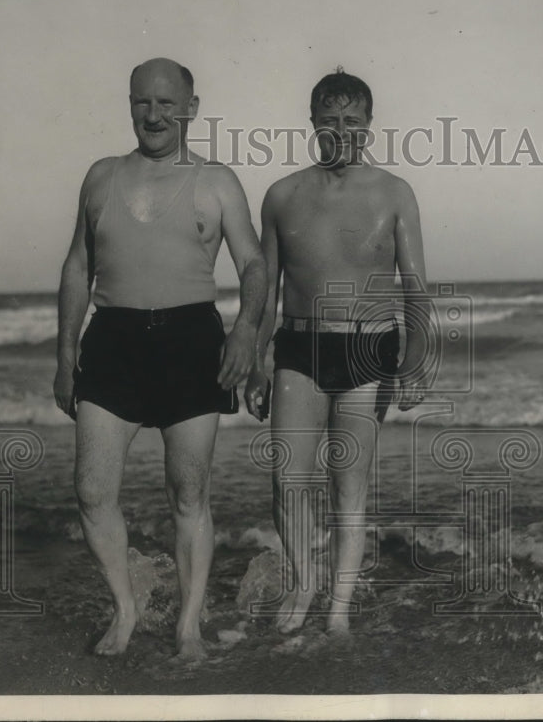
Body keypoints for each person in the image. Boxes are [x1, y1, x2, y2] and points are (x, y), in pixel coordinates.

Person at [53, 58, 267, 658]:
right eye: (143, 102)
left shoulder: (217, 181)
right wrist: (66, 351)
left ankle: (188, 625)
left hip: (192, 342)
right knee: (92, 492)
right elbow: (77, 266)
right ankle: (125, 612)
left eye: (168, 103)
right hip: (112, 340)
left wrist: (246, 330)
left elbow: (253, 263)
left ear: (191, 109)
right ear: (129, 105)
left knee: (188, 493)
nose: (154, 114)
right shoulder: (99, 178)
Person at [244, 69, 432, 635]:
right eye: (329, 121)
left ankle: (340, 608)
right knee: (288, 480)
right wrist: (255, 362)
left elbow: (416, 286)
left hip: (367, 348)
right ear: (312, 122)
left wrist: (416, 358)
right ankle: (302, 585)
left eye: (352, 121)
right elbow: (267, 289)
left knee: (349, 487)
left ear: (369, 125)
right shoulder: (282, 196)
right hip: (297, 346)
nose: (341, 131)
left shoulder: (395, 193)